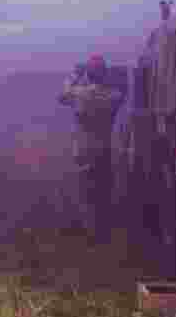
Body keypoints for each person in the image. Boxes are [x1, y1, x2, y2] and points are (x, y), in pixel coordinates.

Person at [59, 54, 127, 242]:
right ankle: (105, 231)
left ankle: (91, 232)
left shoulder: (80, 94)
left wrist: (74, 75)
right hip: (104, 150)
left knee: (87, 193)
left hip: (84, 151)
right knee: (104, 192)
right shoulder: (112, 96)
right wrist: (116, 75)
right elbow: (123, 91)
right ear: (104, 74)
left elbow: (63, 96)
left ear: (88, 74)